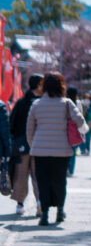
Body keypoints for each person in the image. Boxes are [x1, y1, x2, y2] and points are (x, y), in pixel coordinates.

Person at [26, 72, 86, 226]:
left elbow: (29, 129)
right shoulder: (67, 103)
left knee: (43, 182)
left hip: (40, 150)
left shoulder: (36, 104)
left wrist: (34, 145)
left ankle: (44, 214)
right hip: (62, 150)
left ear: (43, 86)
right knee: (59, 181)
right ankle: (60, 210)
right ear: (61, 86)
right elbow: (80, 121)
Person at [9, 73, 44, 216]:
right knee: (38, 176)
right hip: (39, 145)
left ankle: (20, 204)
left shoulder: (21, 102)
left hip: (22, 146)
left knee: (21, 174)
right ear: (38, 85)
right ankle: (39, 203)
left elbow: (12, 123)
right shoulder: (42, 103)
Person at [65, 87, 84, 177]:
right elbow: (80, 116)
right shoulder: (78, 103)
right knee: (73, 151)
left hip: (65, 129)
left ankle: (66, 168)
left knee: (65, 150)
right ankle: (71, 170)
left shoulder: (64, 102)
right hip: (74, 129)